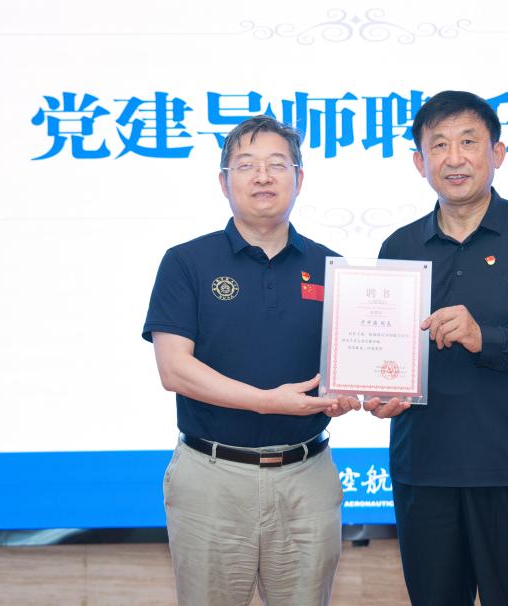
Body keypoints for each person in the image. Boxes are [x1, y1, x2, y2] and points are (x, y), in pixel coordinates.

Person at [367, 90, 508, 605]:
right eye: (439, 145)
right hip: (423, 467)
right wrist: (380, 391)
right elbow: (387, 350)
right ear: (419, 162)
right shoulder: (399, 246)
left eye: (469, 142)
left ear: (498, 153)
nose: (455, 158)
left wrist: (483, 337)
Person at [142, 115, 359, 606]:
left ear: (299, 178)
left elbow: (349, 363)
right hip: (212, 477)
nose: (263, 176)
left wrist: (354, 393)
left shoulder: (333, 267)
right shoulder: (186, 262)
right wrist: (267, 401)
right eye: (246, 165)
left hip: (307, 477)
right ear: (224, 182)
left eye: (277, 164)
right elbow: (174, 369)